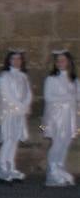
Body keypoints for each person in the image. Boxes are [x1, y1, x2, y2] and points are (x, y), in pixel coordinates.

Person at [0, 50, 32, 183]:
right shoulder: (4, 76)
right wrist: (18, 106)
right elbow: (6, 94)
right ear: (9, 61)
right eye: (13, 59)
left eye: (19, 59)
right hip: (9, 112)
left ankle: (11, 166)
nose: (16, 62)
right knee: (8, 138)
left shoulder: (23, 76)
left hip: (19, 113)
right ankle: (2, 168)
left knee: (15, 139)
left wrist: (25, 105)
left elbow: (28, 93)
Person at [42, 51, 77, 186]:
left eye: (63, 60)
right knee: (57, 142)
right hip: (56, 116)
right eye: (58, 61)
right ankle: (52, 170)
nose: (60, 63)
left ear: (68, 62)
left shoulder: (73, 80)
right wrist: (67, 98)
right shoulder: (51, 79)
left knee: (66, 142)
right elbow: (49, 97)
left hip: (70, 115)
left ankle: (60, 167)